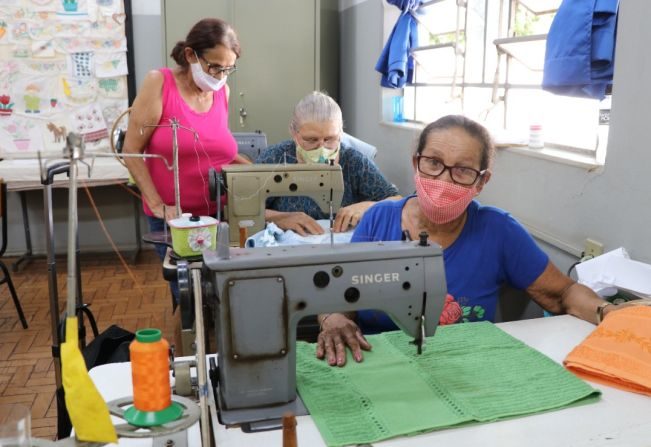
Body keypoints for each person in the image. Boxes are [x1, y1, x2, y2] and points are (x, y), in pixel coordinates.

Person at [316, 114, 633, 367]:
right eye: (434, 163)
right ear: (416, 163)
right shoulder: (378, 220)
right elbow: (336, 298)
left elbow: (563, 293)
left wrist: (607, 313)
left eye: (463, 171)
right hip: (378, 365)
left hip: (464, 370)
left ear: (482, 181)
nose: (443, 180)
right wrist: (333, 321)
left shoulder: (498, 232)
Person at [123, 18, 249, 263]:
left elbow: (218, 150)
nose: (221, 76)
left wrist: (263, 176)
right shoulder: (159, 83)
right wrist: (158, 205)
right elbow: (131, 150)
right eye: (215, 67)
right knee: (186, 291)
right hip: (174, 218)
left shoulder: (222, 91)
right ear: (191, 55)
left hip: (220, 213)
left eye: (228, 69)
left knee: (220, 288)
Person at [255, 91, 400, 236]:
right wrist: (279, 218)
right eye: (311, 140)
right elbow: (239, 209)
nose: (322, 149)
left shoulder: (355, 163)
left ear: (341, 133)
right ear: (293, 133)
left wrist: (368, 207)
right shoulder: (275, 159)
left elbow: (396, 200)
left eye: (330, 139)